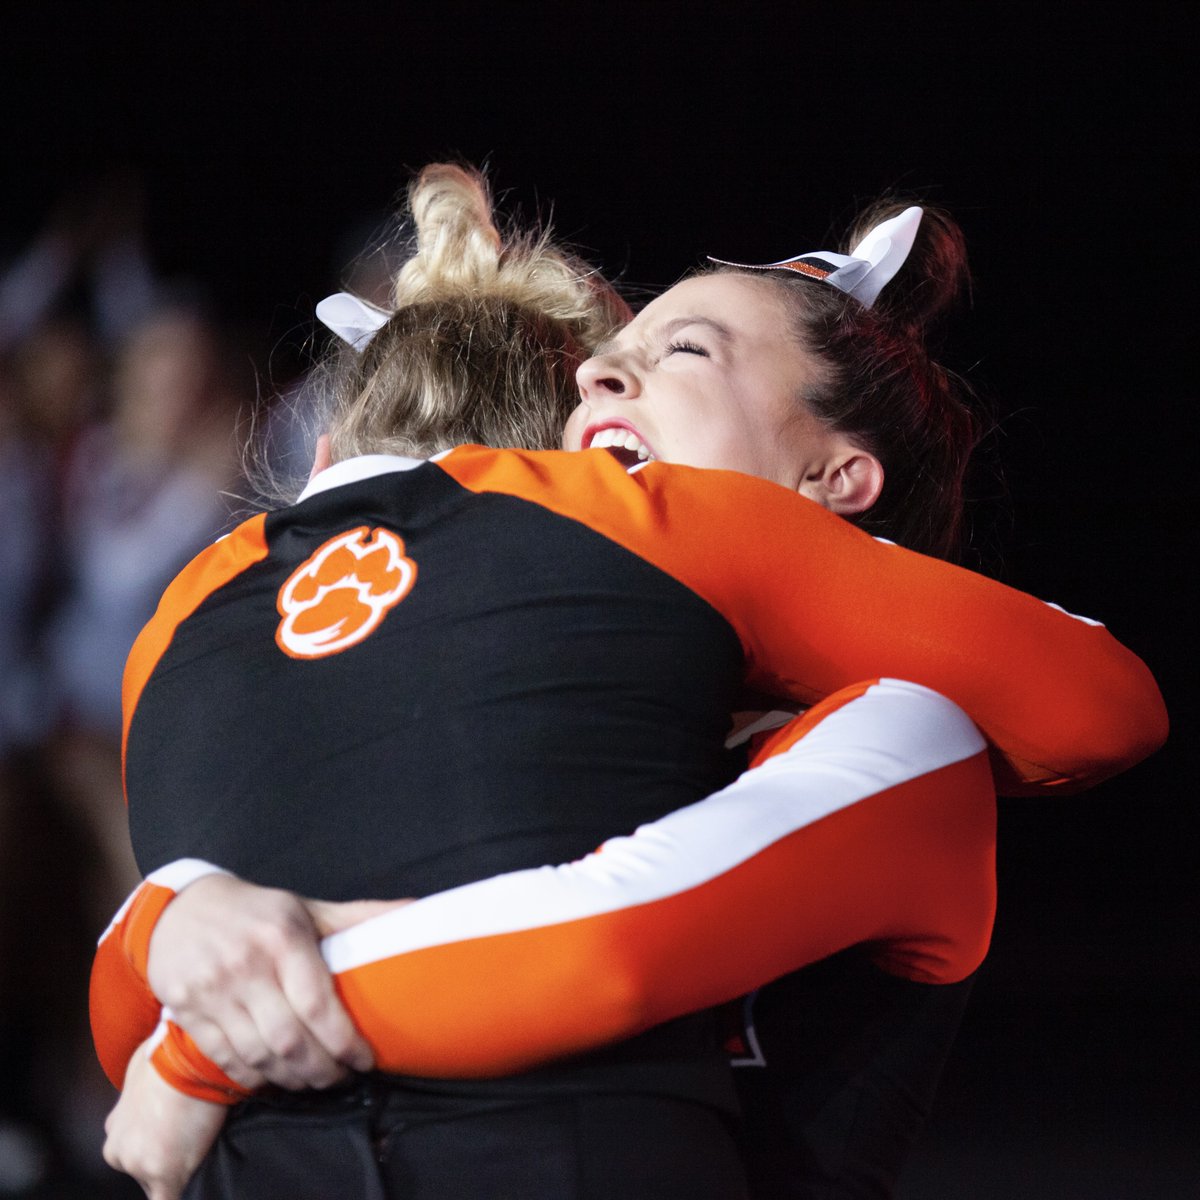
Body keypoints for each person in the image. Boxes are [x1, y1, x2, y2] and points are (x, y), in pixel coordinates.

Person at [92, 165, 1165, 1198]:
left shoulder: (907, 739)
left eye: (684, 350)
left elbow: (589, 949)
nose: (599, 372)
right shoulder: (544, 693)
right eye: (608, 355)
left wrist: (200, 1035)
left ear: (835, 476)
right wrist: (173, 922)